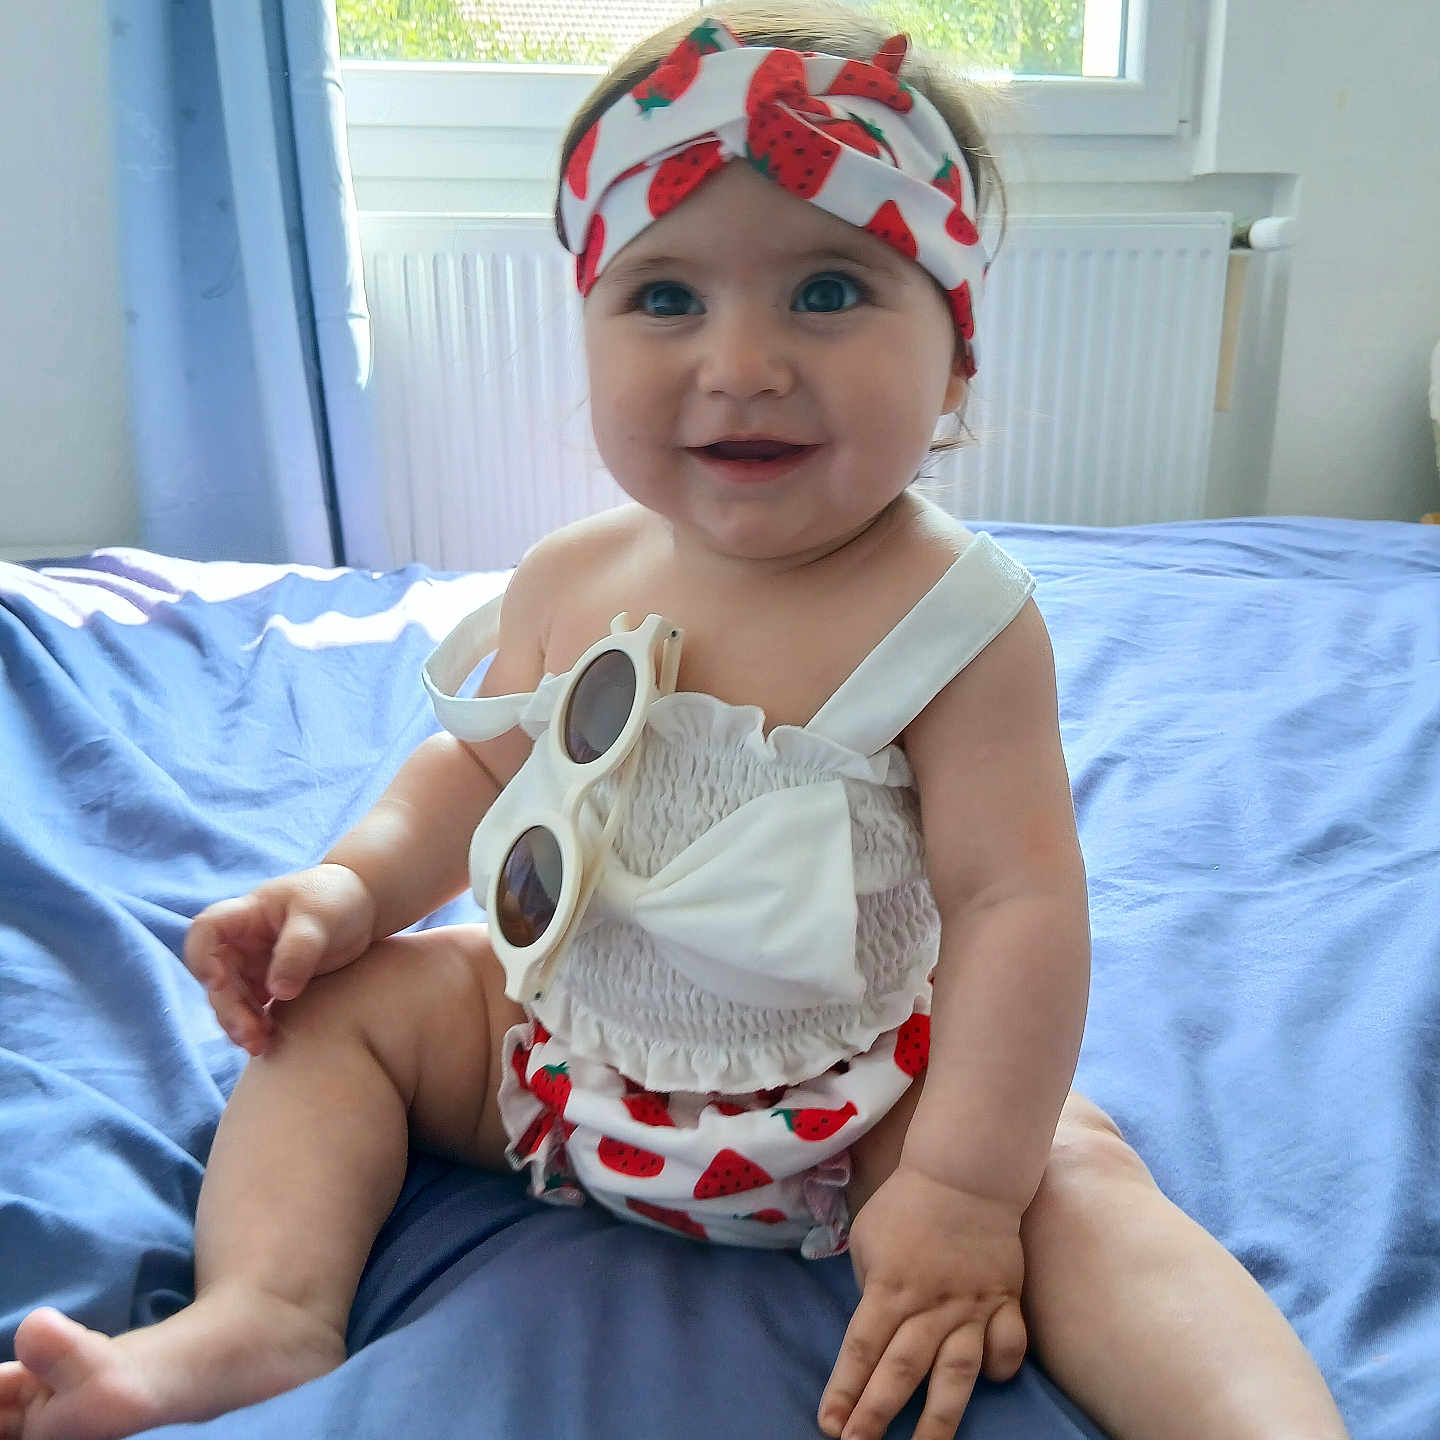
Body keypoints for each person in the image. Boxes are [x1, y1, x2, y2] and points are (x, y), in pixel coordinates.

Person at [0, 6, 1348, 1439]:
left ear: (956, 358)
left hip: (861, 1101)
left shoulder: (960, 617)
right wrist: (347, 887)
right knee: (336, 1020)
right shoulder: (572, 576)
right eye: (664, 299)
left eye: (829, 291)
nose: (744, 361)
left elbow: (1015, 900)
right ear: (582, 330)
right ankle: (262, 1313)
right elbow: (478, 766)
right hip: (551, 1067)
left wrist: (960, 1188)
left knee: (1074, 1174)